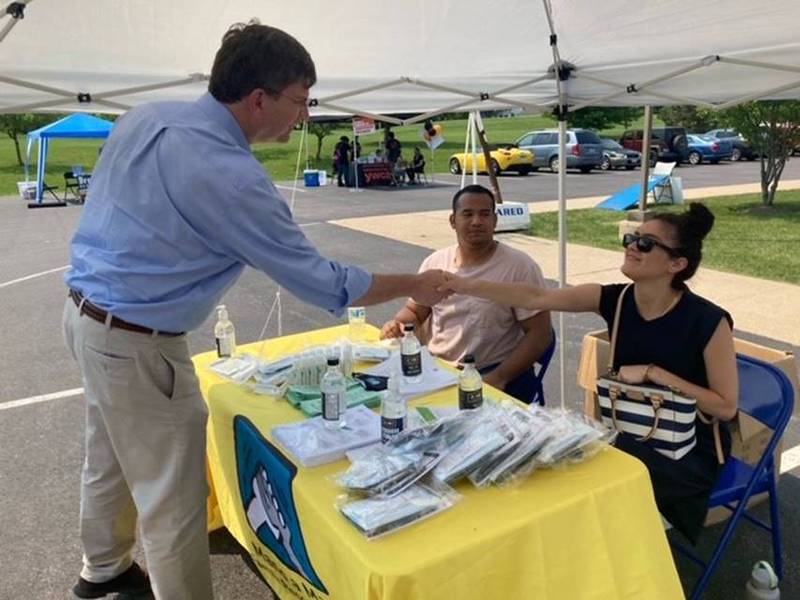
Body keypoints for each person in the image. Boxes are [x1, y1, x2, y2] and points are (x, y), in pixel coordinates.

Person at [62, 21, 447, 600]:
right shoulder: (231, 176)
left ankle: (103, 569)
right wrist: (417, 282)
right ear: (259, 98)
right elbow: (322, 282)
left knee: (109, 454)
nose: (304, 117)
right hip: (139, 343)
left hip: (88, 316)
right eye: (300, 101)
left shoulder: (147, 116)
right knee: (173, 499)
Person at [440, 203, 738, 543]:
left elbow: (726, 406)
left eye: (645, 244)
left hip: (684, 451)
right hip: (629, 431)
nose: (631, 246)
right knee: (554, 460)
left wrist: (654, 373)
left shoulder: (708, 321)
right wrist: (462, 285)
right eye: (631, 238)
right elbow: (538, 296)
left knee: (581, 482)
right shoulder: (616, 299)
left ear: (677, 264)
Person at [381, 184, 552, 402]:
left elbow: (540, 335)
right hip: (439, 372)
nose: (476, 221)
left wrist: (498, 378)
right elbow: (414, 311)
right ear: (453, 221)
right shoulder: (435, 262)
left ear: (495, 220)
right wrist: (397, 324)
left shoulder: (519, 267)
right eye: (468, 214)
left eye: (484, 214)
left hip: (495, 374)